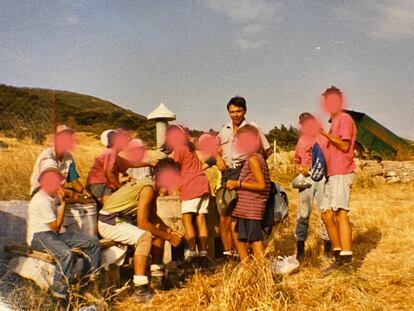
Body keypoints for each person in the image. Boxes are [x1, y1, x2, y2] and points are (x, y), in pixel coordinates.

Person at [97, 158, 183, 301]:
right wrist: (169, 238)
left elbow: (154, 218)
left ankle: (157, 279)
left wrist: (168, 231)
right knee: (145, 237)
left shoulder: (152, 186)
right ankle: (140, 288)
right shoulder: (148, 188)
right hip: (109, 222)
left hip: (121, 221)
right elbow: (143, 224)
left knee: (159, 230)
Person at [27, 159, 101, 300]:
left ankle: (89, 282)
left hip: (52, 235)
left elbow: (61, 200)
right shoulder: (41, 199)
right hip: (39, 236)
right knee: (66, 254)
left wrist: (81, 201)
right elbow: (55, 227)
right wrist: (64, 204)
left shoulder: (51, 194)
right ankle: (59, 294)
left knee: (93, 241)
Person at [215, 96, 272, 259]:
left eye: (239, 111)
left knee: (241, 214)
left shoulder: (252, 128)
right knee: (226, 212)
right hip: (227, 172)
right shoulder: (224, 128)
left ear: (244, 111)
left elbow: (267, 151)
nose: (235, 114)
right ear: (228, 112)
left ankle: (247, 254)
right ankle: (229, 252)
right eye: (232, 111)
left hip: (244, 171)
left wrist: (253, 166)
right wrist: (218, 159)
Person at [163, 125, 211, 270]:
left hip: (191, 185)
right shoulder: (190, 148)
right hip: (203, 183)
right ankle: (203, 254)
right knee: (201, 218)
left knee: (186, 219)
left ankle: (192, 254)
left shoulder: (179, 149)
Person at [319, 86, 357, 266]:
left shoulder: (344, 119)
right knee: (326, 214)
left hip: (342, 172)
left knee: (341, 213)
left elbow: (343, 145)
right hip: (331, 174)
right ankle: (337, 253)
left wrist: (324, 134)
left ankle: (346, 259)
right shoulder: (334, 123)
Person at [225, 125, 271, 261]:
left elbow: (261, 185)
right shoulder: (256, 158)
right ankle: (246, 269)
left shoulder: (253, 160)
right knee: (240, 235)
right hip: (246, 208)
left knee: (255, 240)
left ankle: (261, 271)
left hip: (251, 207)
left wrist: (237, 184)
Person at [293, 113, 330, 261]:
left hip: (321, 179)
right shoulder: (302, 140)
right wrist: (297, 167)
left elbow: (329, 159)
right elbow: (296, 158)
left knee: (325, 212)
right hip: (306, 180)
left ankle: (327, 247)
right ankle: (300, 250)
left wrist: (317, 170)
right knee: (303, 214)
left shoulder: (322, 138)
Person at [87, 130, 150, 206]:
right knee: (110, 208)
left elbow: (131, 163)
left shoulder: (115, 156)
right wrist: (120, 188)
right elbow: (109, 173)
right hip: (100, 185)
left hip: (103, 185)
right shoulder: (110, 152)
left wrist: (150, 164)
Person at [30, 125, 89, 199]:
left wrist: (84, 192)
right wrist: (70, 193)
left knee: (81, 197)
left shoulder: (69, 158)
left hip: (59, 192)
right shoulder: (47, 155)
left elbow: (74, 181)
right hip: (40, 192)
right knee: (70, 194)